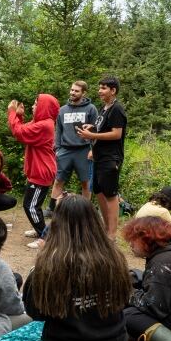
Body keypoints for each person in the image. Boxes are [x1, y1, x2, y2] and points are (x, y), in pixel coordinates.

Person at [0, 194, 131, 341]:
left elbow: (35, 312)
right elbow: (124, 302)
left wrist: (37, 267)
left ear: (58, 224)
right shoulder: (115, 259)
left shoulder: (52, 265)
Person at [7, 93, 60, 247]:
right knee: (32, 205)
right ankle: (40, 230)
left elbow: (19, 133)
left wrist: (11, 112)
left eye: (36, 104)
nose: (32, 106)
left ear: (44, 107)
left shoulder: (45, 125)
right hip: (38, 170)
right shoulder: (41, 122)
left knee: (30, 206)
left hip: (41, 171)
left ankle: (47, 237)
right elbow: (22, 129)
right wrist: (19, 117)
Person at [77, 76, 127, 239]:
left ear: (113, 91)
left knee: (111, 195)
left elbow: (116, 133)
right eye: (99, 87)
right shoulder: (104, 108)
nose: (99, 91)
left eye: (104, 88)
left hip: (110, 158)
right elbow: (102, 127)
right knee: (99, 193)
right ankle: (106, 230)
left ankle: (112, 235)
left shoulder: (117, 108)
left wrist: (91, 134)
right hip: (98, 157)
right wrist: (92, 127)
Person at [47, 81, 98, 215]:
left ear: (83, 93)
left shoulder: (91, 109)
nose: (73, 93)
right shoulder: (63, 110)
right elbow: (58, 130)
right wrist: (57, 149)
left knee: (86, 183)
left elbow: (96, 130)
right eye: (72, 90)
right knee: (58, 180)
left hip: (84, 150)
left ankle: (85, 211)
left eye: (76, 91)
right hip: (65, 150)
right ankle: (52, 209)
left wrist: (93, 149)